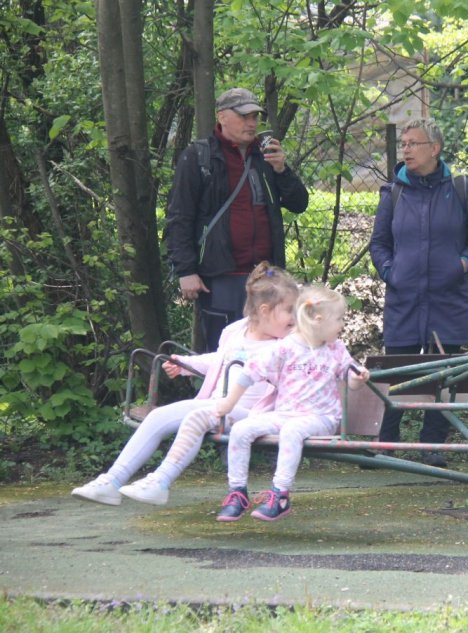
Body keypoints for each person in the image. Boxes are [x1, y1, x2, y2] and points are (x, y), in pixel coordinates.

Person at [71, 262, 299, 506]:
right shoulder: (236, 332)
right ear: (264, 311)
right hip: (217, 404)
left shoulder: (289, 345)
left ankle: (160, 481)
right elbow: (219, 360)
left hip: (253, 414)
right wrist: (185, 364)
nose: (295, 320)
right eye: (290, 312)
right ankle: (111, 481)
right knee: (158, 416)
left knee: (198, 416)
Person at [369, 118, 468, 467]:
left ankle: (433, 445)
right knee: (396, 370)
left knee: (445, 372)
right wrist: (391, 272)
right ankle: (385, 445)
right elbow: (378, 244)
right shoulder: (393, 193)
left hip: (449, 298)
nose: (405, 149)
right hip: (404, 299)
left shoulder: (461, 188)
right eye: (404, 143)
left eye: (413, 143)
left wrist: (462, 265)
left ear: (434, 148)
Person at [166, 87, 309, 352]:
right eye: (244, 116)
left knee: (269, 353)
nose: (251, 123)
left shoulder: (265, 157)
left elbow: (299, 204)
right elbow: (179, 217)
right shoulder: (198, 157)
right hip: (220, 276)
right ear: (222, 117)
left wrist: (282, 170)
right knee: (225, 354)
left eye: (254, 117)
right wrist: (186, 270)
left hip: (266, 276)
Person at [214, 284, 370, 522]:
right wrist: (228, 402)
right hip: (285, 414)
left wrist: (358, 380)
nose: (342, 325)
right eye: (339, 319)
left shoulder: (336, 350)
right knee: (241, 430)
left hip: (322, 418)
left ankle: (280, 495)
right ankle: (237, 493)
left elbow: (350, 379)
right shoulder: (286, 347)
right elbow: (250, 371)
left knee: (292, 430)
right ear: (318, 320)